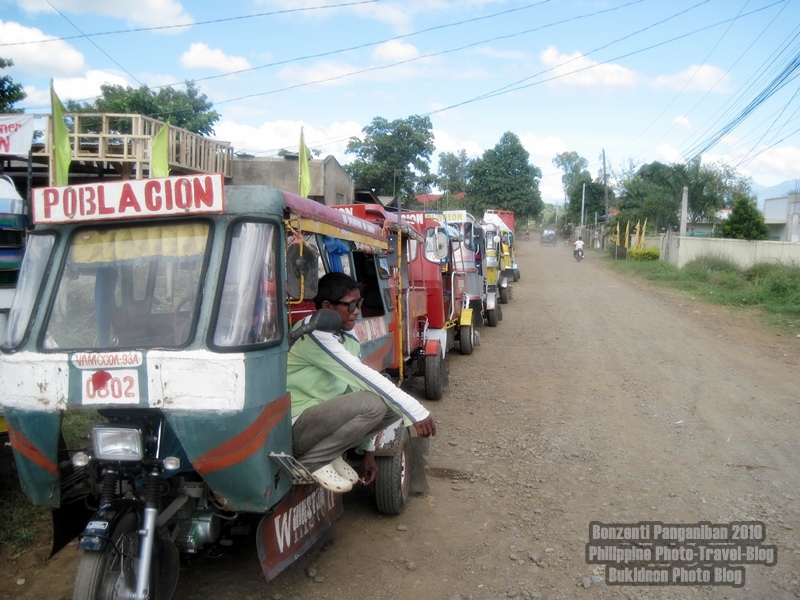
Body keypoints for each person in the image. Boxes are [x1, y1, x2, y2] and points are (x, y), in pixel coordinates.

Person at [287, 272, 436, 493]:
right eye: (351, 305)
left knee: (392, 406)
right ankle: (310, 463)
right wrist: (415, 409)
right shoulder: (313, 332)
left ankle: (330, 453)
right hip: (297, 425)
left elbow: (356, 386)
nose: (357, 311)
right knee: (374, 403)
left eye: (359, 303)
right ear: (327, 306)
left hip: (321, 421)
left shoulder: (345, 335)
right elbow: (361, 375)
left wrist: (369, 452)